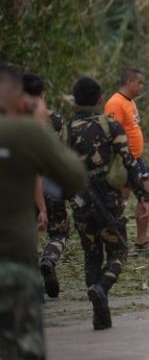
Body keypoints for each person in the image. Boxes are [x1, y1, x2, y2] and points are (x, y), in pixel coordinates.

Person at [0, 63, 88, 358]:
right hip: (11, 265)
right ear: (18, 97)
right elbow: (74, 177)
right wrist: (39, 124)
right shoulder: (24, 132)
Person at [68, 76, 149, 330]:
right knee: (119, 251)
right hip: (109, 201)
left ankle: (99, 312)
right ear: (99, 99)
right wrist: (143, 195)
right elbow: (129, 162)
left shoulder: (66, 130)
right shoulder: (110, 126)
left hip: (80, 201)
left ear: (75, 101)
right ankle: (102, 287)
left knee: (91, 256)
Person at [22, 73, 70, 298]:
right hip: (51, 184)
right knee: (59, 232)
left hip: (20, 184)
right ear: (42, 93)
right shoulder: (56, 120)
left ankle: (34, 285)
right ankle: (49, 260)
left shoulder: (12, 120)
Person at [105, 68, 149, 252]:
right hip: (123, 160)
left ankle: (141, 241)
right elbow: (111, 133)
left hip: (137, 159)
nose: (141, 86)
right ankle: (114, 240)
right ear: (130, 82)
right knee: (122, 200)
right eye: (139, 82)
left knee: (144, 196)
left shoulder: (130, 102)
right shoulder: (115, 103)